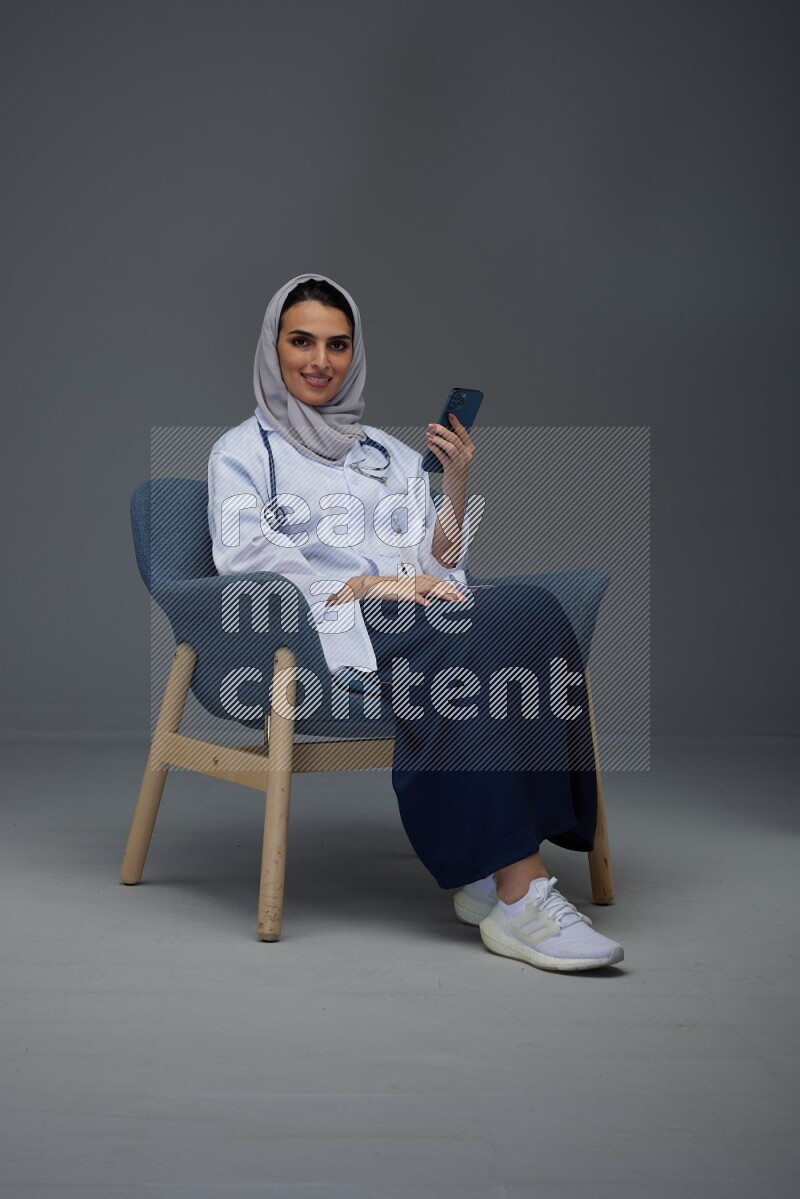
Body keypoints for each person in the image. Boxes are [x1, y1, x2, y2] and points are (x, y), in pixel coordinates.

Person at [208, 272, 624, 972]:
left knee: (534, 611)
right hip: (318, 627)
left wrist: (454, 482)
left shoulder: (385, 454)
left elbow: (441, 562)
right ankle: (522, 896)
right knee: (471, 632)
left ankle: (490, 872)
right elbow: (248, 558)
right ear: (272, 347)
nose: (320, 360)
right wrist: (376, 583)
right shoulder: (242, 452)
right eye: (301, 340)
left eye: (337, 344)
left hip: (408, 611)